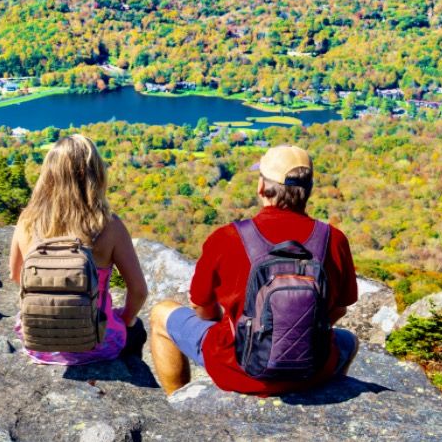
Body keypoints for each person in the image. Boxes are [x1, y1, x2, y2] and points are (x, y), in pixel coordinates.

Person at [150, 144, 358, 395]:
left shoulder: (227, 238)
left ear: (262, 188)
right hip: (312, 370)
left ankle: (177, 398)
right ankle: (322, 389)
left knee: (162, 314)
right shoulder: (333, 240)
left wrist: (231, 325)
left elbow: (202, 308)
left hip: (236, 370)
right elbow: (338, 309)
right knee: (349, 341)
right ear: (308, 191)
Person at [10, 134, 148, 364]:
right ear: (96, 175)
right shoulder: (109, 225)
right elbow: (139, 291)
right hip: (98, 344)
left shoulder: (27, 221)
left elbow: (16, 276)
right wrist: (126, 318)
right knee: (138, 329)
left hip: (39, 344)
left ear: (48, 174)